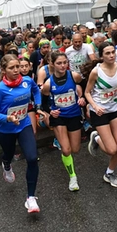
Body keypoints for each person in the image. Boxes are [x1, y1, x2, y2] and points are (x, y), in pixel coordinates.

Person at [0, 55, 45, 213]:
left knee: (32, 158)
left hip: (24, 124)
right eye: (12, 68)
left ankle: (31, 198)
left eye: (18, 66)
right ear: (4, 70)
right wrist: (7, 118)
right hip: (5, 130)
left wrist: (38, 106)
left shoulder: (27, 81)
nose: (16, 70)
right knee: (9, 153)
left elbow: (35, 90)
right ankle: (6, 163)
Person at [83, 42, 117, 188]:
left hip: (115, 108)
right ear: (101, 56)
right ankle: (96, 137)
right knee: (111, 150)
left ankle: (109, 173)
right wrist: (95, 106)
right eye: (107, 53)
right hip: (100, 111)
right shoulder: (96, 72)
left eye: (112, 52)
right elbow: (86, 92)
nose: (111, 56)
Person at [41, 51, 85, 192]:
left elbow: (83, 86)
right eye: (59, 63)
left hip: (74, 114)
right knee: (66, 150)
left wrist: (82, 96)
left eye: (65, 62)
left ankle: (94, 138)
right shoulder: (48, 84)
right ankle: (73, 177)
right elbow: (43, 102)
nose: (62, 65)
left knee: (75, 149)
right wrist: (49, 111)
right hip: (58, 116)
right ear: (52, 65)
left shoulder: (74, 76)